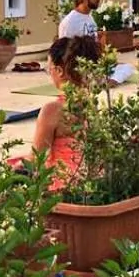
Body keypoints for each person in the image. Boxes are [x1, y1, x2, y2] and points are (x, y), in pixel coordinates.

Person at [32, 35, 101, 178]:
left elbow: (36, 160)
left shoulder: (53, 110)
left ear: (59, 71)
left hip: (65, 183)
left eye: (49, 69)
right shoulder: (92, 105)